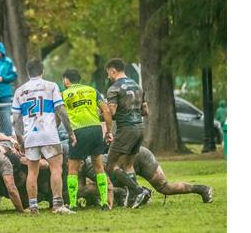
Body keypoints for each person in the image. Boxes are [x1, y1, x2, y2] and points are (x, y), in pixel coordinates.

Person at [12, 58, 76, 214]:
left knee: (32, 172)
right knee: (56, 169)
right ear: (42, 71)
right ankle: (57, 205)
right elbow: (61, 110)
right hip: (49, 134)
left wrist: (20, 140)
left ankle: (33, 206)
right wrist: (70, 132)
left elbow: (15, 120)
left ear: (28, 72)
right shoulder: (51, 86)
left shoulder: (19, 91)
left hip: (30, 136)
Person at [81, 146, 214, 205]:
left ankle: (202, 189)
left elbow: (112, 178)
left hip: (138, 157)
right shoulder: (85, 167)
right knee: (165, 187)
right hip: (138, 154)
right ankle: (142, 192)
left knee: (164, 187)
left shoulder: (90, 166)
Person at [61, 69, 114, 210]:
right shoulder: (92, 90)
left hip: (78, 131)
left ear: (66, 80)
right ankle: (104, 203)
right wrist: (109, 131)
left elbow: (59, 116)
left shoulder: (64, 94)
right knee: (98, 167)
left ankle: (72, 204)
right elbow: (107, 111)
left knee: (73, 169)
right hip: (96, 129)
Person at [105, 58, 150, 209]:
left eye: (109, 74)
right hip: (140, 129)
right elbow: (145, 111)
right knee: (128, 164)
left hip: (125, 130)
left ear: (113, 71)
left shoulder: (114, 88)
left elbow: (111, 112)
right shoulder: (138, 86)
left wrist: (102, 112)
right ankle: (132, 199)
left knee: (110, 166)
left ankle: (138, 191)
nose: (109, 77)